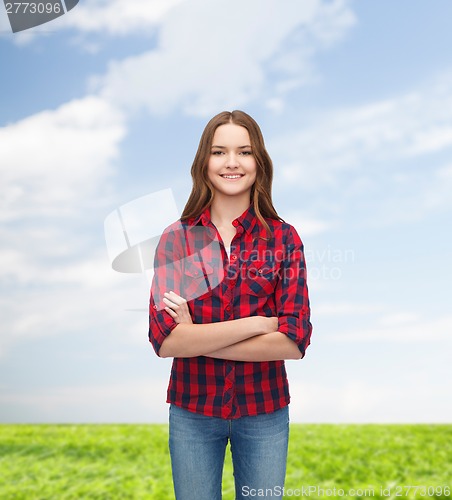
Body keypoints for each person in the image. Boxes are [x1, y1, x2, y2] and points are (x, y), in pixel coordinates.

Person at [148, 110, 312, 500]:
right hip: (192, 411)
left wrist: (196, 337)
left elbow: (294, 342)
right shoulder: (178, 240)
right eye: (220, 152)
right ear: (204, 162)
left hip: (264, 411)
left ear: (260, 163)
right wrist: (259, 323)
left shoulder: (284, 239)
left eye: (245, 151)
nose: (232, 162)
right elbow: (164, 341)